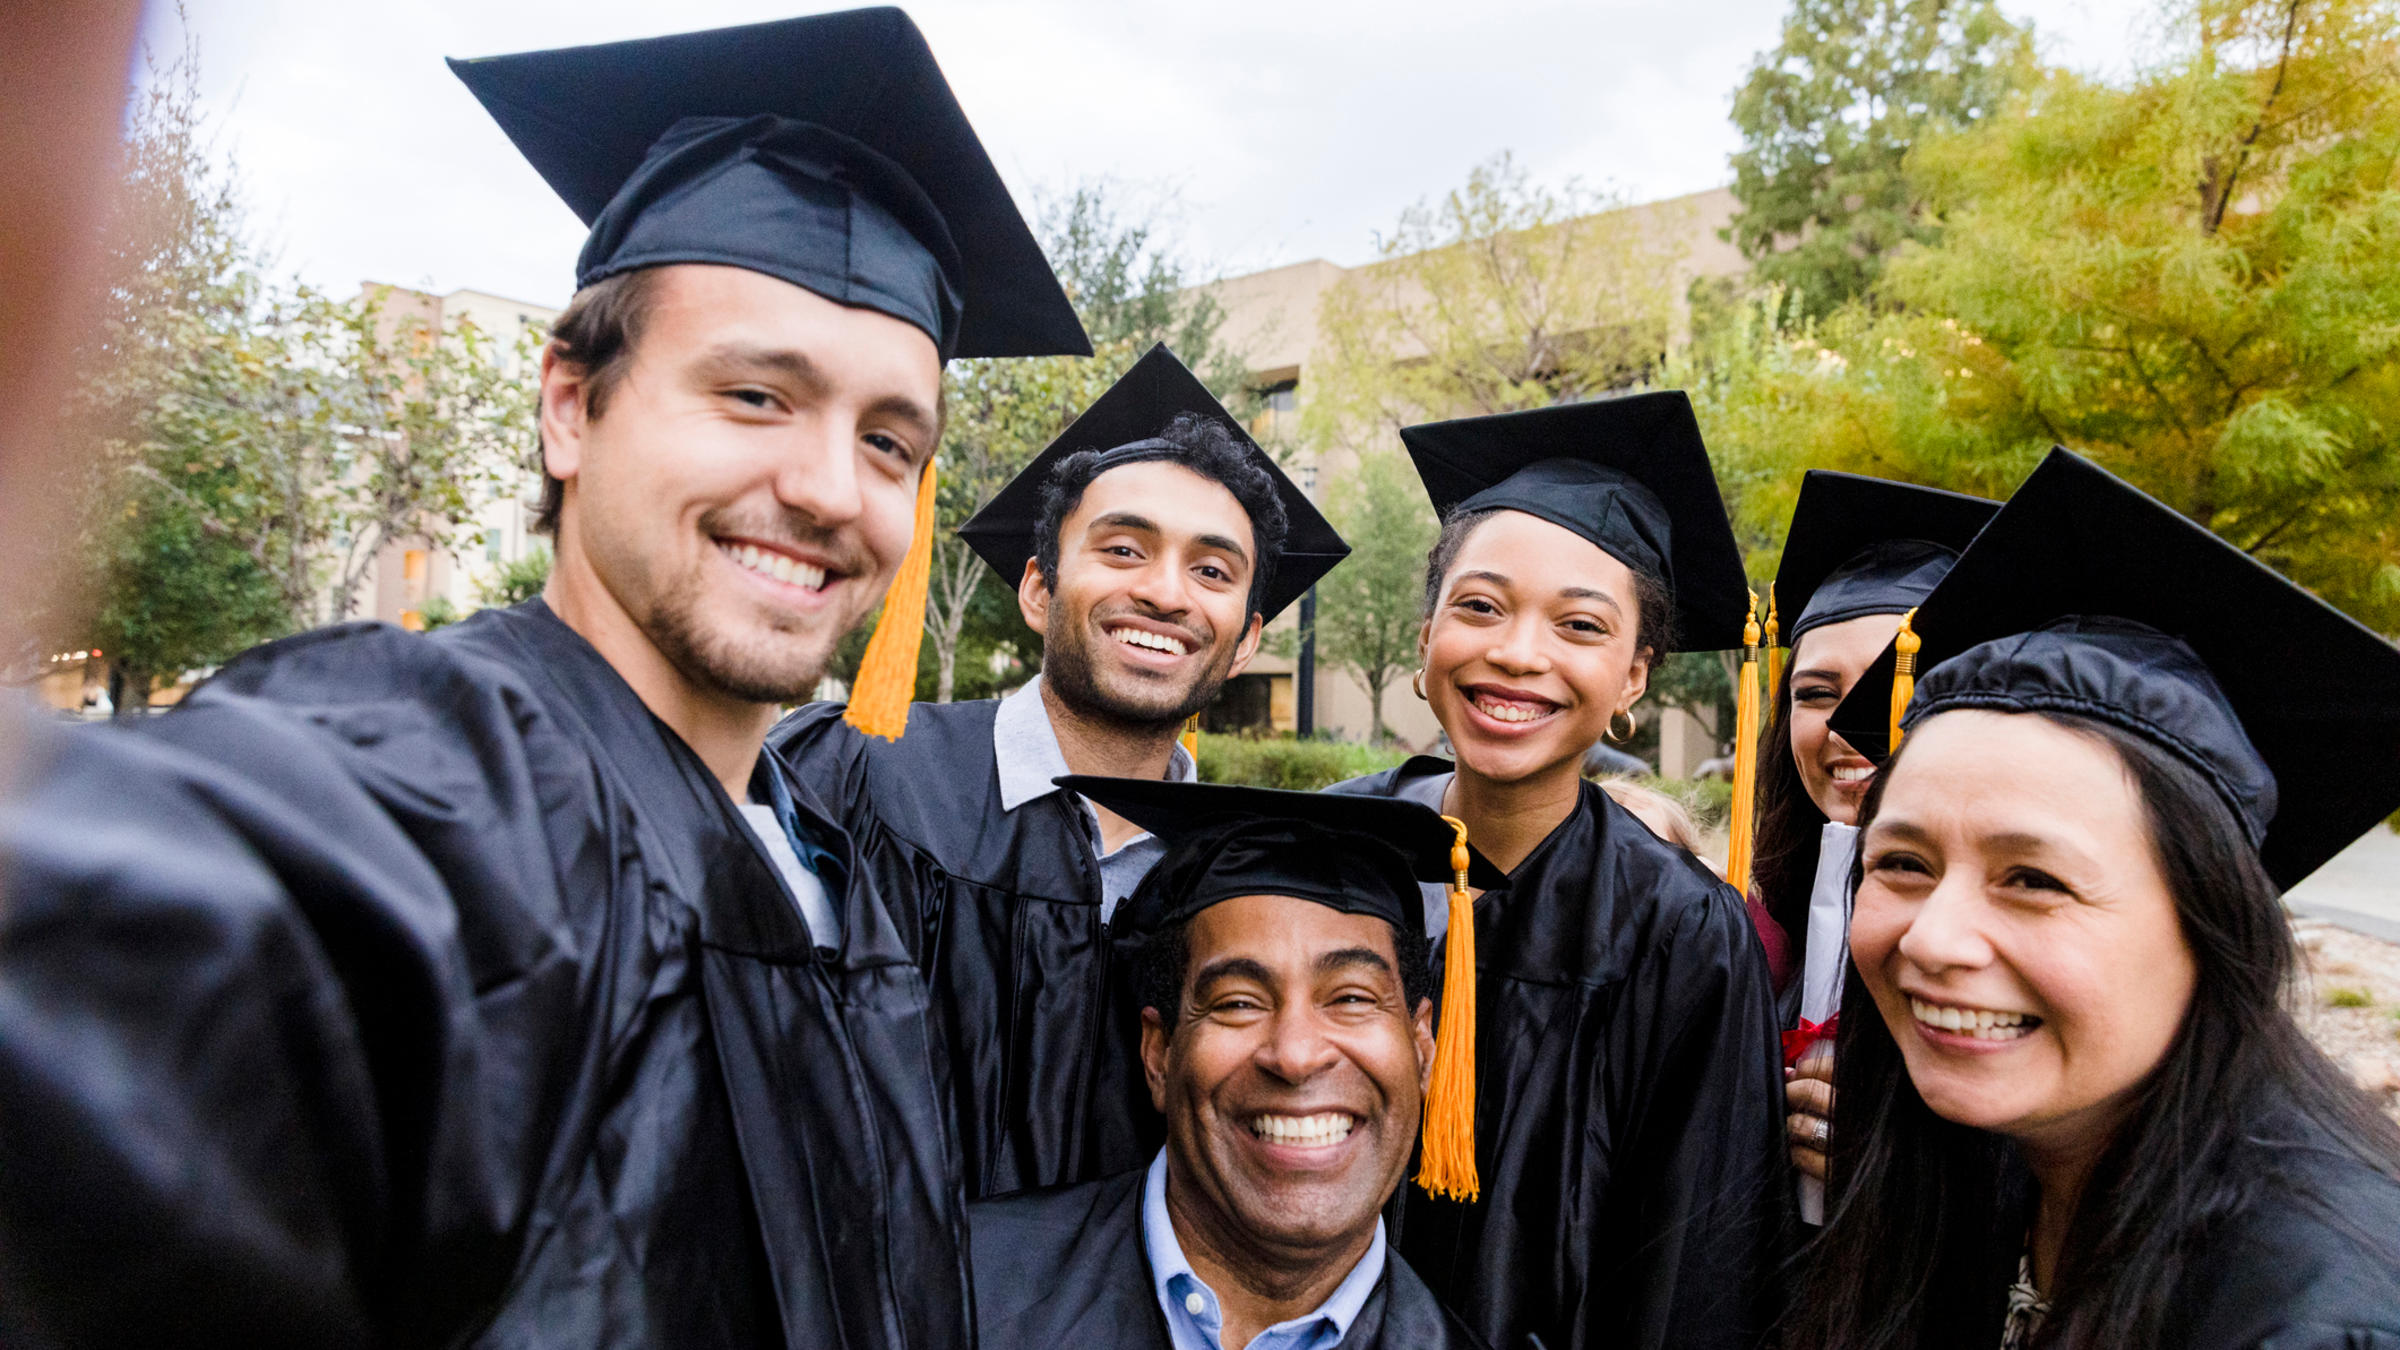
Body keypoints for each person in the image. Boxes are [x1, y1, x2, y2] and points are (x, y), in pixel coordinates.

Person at [0, 12, 1091, 1346]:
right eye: (755, 394)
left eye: (886, 441)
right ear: (570, 404)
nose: (826, 489)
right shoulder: (456, 786)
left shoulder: (836, 867)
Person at [1791, 449, 2400, 1350]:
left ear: (2211, 922)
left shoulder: (2310, 1316)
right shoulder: (1996, 1161)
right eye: (1904, 864)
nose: (1935, 939)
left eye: (2034, 880)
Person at [772, 343, 1348, 1199]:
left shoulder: (1241, 882)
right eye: (1122, 549)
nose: (1166, 592)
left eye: (1213, 570)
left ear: (1247, 640)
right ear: (1039, 589)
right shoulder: (856, 780)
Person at [1329, 393, 1790, 1350]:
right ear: (1425, 638)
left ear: (1634, 677)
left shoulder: (1684, 934)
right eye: (1480, 607)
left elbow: (1691, 1281)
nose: (1517, 653)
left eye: (1581, 626)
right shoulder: (1326, 847)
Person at [970, 778, 1495, 1350]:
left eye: (1351, 998)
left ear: (1423, 1049)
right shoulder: (954, 1289)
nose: (1295, 1056)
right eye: (1238, 1003)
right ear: (1159, 1054)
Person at [1752, 471, 1996, 1186]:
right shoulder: (1762, 928)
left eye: (1895, 686)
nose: (1845, 727)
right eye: (1815, 693)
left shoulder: (2006, 941)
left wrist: (1892, 1159)